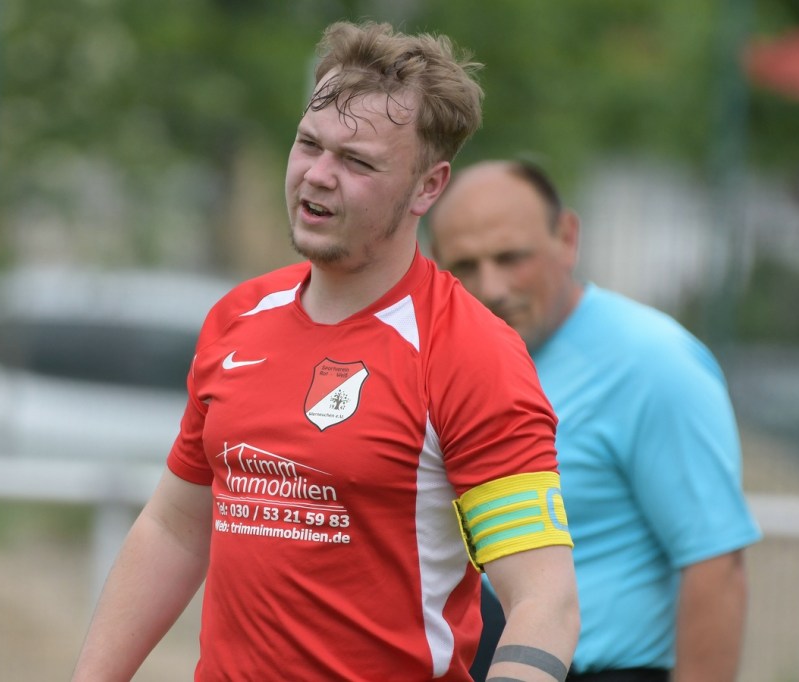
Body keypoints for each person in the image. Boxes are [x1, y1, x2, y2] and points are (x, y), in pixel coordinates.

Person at [72, 23, 580, 682]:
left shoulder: (470, 353)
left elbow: (545, 600)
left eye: (357, 162)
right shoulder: (238, 319)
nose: (318, 175)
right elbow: (175, 527)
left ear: (428, 187)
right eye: (309, 144)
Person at [428, 159, 763, 682]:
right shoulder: (451, 362)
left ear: (567, 238)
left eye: (511, 257)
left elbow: (716, 566)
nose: (490, 287)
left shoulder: (653, 363)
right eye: (465, 265)